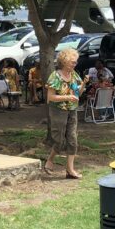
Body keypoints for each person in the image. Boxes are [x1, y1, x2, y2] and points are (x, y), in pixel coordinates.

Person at [45, 46, 84, 178]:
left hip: (72, 109)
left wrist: (83, 85)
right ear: (65, 61)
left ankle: (70, 169)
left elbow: (77, 93)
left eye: (76, 62)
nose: (75, 64)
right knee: (59, 139)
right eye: (73, 62)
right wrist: (68, 97)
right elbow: (50, 97)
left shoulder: (73, 74)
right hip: (58, 110)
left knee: (73, 139)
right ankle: (50, 160)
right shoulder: (55, 76)